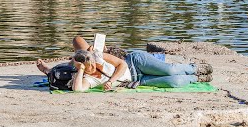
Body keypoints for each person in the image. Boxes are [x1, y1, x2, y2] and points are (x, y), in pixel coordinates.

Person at [36, 36, 213, 92]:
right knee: (173, 82)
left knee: (170, 69)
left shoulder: (99, 56)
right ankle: (197, 78)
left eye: (89, 61)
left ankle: (194, 67)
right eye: (87, 66)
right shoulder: (86, 76)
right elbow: (77, 90)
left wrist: (112, 80)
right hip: (136, 81)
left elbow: (122, 65)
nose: (92, 65)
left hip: (135, 64)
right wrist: (82, 71)